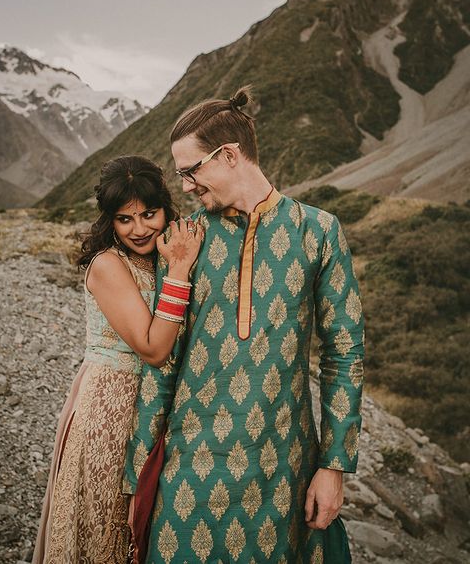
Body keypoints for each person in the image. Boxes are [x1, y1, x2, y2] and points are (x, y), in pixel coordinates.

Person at [124, 87, 364, 563]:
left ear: (229, 155)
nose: (186, 187)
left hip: (285, 466)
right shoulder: (184, 238)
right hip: (190, 464)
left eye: (190, 172)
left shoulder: (317, 231)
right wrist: (139, 474)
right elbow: (163, 360)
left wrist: (334, 465)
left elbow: (345, 351)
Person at [33, 155, 204, 564]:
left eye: (149, 214)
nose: (140, 229)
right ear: (109, 220)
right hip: (111, 404)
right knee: (107, 524)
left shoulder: (162, 253)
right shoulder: (109, 265)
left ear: (165, 208)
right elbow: (153, 348)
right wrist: (180, 271)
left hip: (159, 405)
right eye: (125, 219)